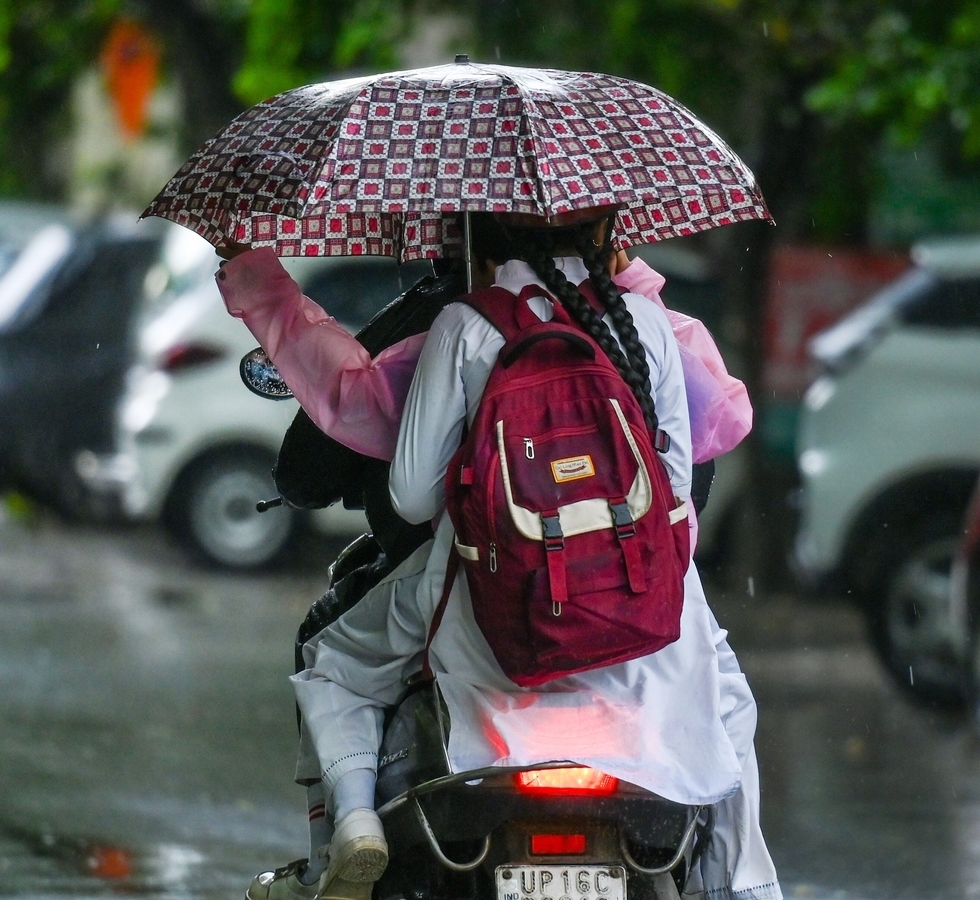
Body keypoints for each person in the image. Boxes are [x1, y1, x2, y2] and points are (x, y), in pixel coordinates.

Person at [219, 213, 775, 900]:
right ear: (605, 234)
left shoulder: (467, 326)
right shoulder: (647, 322)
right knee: (726, 696)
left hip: (491, 619)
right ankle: (742, 886)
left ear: (474, 238)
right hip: (649, 623)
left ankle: (353, 828)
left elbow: (414, 499)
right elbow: (681, 493)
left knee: (334, 664)